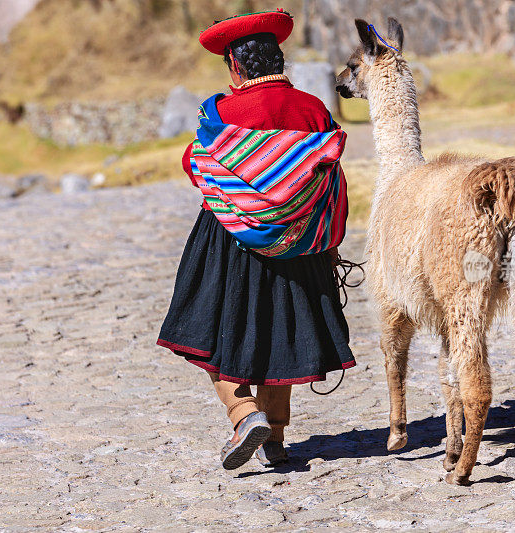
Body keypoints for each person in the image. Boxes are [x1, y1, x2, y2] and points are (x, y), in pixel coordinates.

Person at [157, 9, 355, 470]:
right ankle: (278, 441)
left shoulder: (220, 114)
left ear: (235, 66)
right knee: (279, 336)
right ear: (277, 59)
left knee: (206, 329)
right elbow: (330, 180)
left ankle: (244, 414)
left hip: (229, 242)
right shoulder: (312, 109)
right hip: (300, 241)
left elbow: (195, 165)